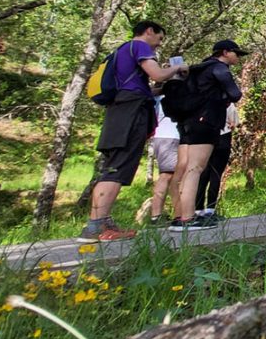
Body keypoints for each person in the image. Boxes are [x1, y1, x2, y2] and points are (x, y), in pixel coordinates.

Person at [81, 21, 185, 243]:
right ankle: (96, 226)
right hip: (130, 113)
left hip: (120, 110)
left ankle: (102, 221)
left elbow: (146, 86)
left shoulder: (121, 51)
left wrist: (161, 90)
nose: (158, 45)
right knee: (116, 169)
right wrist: (177, 68)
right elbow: (156, 74)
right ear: (149, 31)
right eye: (159, 38)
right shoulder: (139, 47)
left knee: (115, 166)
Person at [171, 39, 246, 231]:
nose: (238, 57)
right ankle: (188, 219)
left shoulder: (197, 69)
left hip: (187, 122)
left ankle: (181, 215)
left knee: (188, 168)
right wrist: (222, 98)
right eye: (236, 53)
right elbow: (235, 94)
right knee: (196, 169)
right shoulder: (219, 69)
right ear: (225, 52)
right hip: (206, 121)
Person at [193, 102, 238, 224]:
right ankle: (210, 210)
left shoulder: (203, 102)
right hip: (223, 138)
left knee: (203, 174)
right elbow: (234, 123)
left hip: (205, 137)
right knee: (215, 175)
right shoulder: (228, 104)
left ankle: (198, 209)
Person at [147, 95, 182, 227]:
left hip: (164, 137)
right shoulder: (165, 97)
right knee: (168, 175)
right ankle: (157, 215)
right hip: (170, 136)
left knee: (173, 176)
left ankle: (174, 214)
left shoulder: (156, 97)